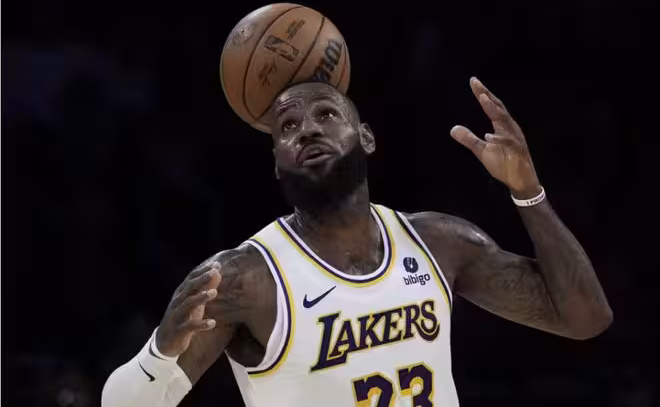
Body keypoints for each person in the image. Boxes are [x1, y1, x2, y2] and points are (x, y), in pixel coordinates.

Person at [101, 77, 612, 407]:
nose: (306, 130)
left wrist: (528, 191)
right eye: (288, 126)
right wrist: (158, 353)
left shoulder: (439, 242)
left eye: (325, 115)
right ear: (276, 161)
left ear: (365, 137)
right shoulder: (244, 279)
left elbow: (585, 318)